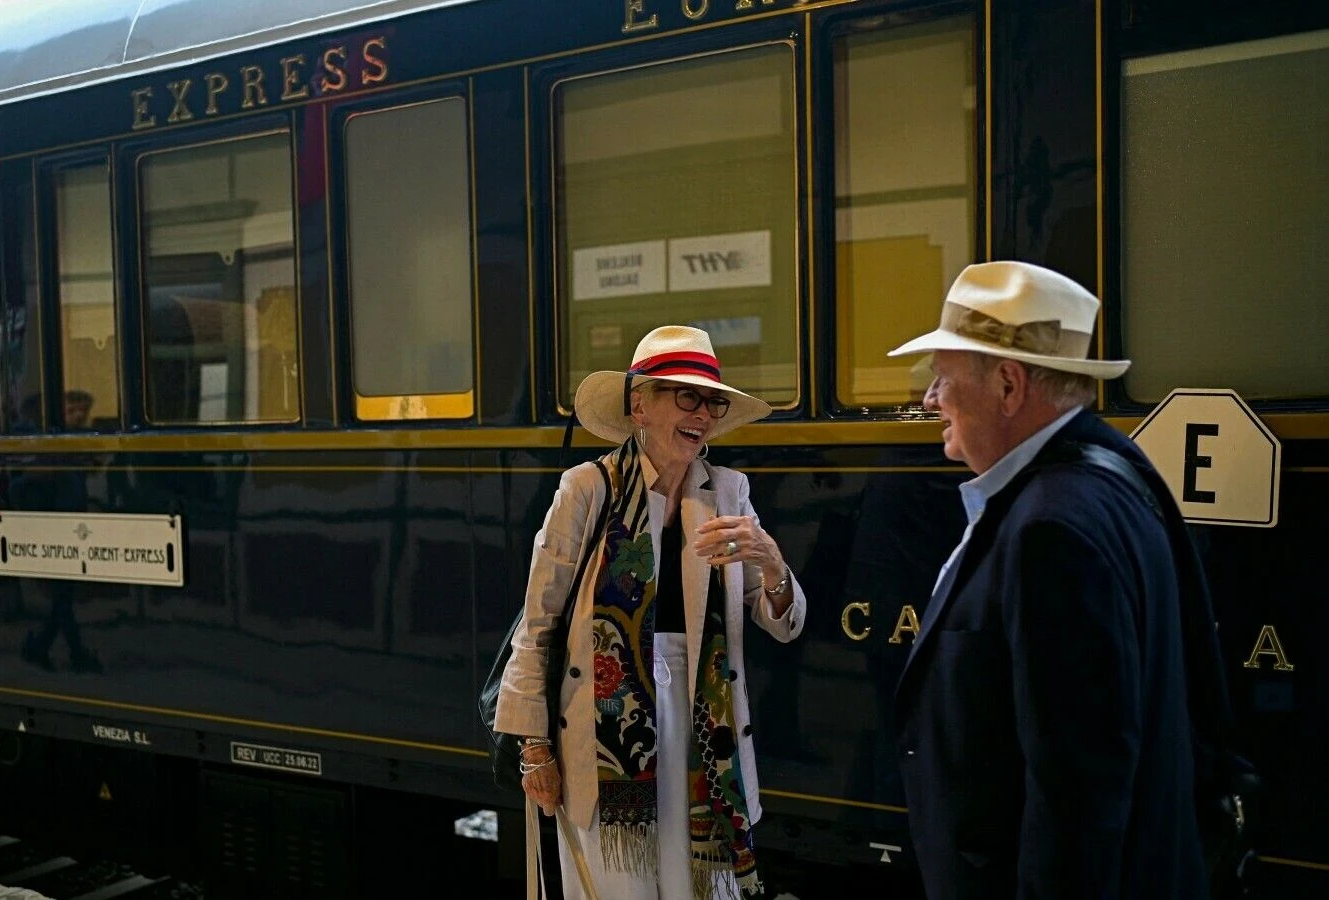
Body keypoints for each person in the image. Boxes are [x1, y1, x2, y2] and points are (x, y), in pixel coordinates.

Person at [885, 261, 1227, 898]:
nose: (930, 398)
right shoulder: (1116, 475)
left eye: (943, 377)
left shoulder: (1051, 530)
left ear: (1009, 385)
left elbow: (1078, 793)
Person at [494, 325, 807, 899]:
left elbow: (783, 620)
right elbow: (537, 626)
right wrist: (533, 749)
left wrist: (771, 561)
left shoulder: (730, 491)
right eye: (685, 395)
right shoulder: (588, 490)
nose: (703, 413)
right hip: (603, 735)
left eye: (711, 400)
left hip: (703, 728)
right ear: (640, 404)